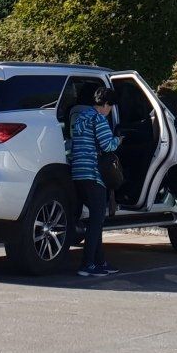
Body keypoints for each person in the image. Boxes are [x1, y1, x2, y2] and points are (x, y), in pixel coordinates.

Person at [67, 85, 121, 278]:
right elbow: (107, 145)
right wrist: (119, 140)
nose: (110, 110)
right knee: (97, 221)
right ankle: (87, 264)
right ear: (106, 104)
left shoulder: (81, 117)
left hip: (77, 174)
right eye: (110, 106)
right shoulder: (98, 119)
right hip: (92, 173)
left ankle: (100, 262)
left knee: (94, 220)